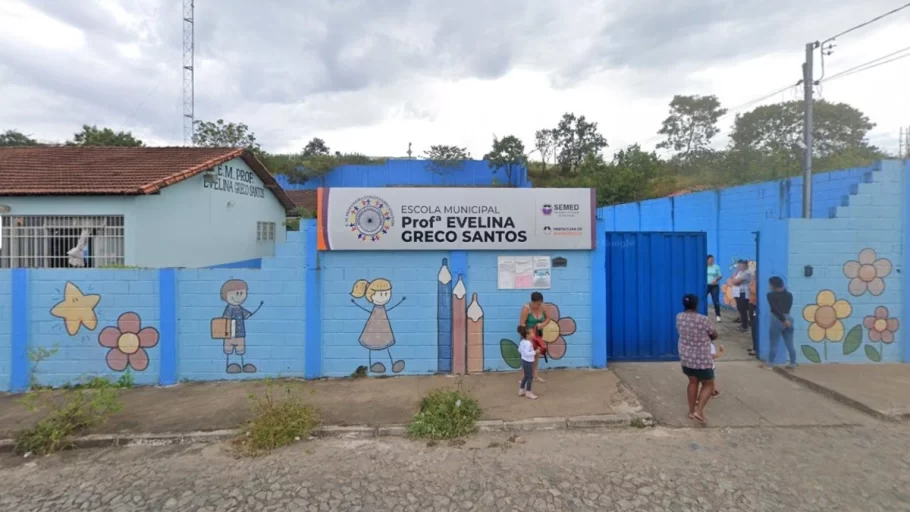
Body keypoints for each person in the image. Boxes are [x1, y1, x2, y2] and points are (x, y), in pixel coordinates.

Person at [677, 294, 718, 423]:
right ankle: (699, 412)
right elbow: (714, 334)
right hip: (702, 358)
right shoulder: (703, 319)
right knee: (708, 383)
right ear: (696, 304)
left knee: (693, 381)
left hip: (686, 356)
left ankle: (690, 412)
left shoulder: (679, 317)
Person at [762, 276, 796, 369]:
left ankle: (770, 364)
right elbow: (788, 308)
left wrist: (783, 320)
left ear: (773, 285)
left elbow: (775, 309)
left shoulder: (770, 295)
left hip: (777, 319)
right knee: (790, 343)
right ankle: (793, 363)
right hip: (788, 318)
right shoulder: (789, 294)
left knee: (774, 343)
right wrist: (786, 319)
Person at [519, 291, 551, 382]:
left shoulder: (543, 306)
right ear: (532, 302)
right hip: (527, 335)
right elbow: (522, 324)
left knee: (536, 354)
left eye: (540, 303)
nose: (538, 305)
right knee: (526, 355)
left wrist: (542, 324)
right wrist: (529, 334)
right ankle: (524, 376)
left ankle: (535, 375)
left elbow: (548, 318)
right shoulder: (526, 308)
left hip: (538, 334)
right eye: (537, 304)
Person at [517, 325, 540, 400]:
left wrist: (525, 353)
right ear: (527, 335)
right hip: (528, 362)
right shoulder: (528, 343)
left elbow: (519, 350)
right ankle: (528, 392)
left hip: (524, 361)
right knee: (530, 377)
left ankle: (521, 391)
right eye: (532, 333)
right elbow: (527, 353)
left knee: (526, 376)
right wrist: (535, 352)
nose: (534, 334)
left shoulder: (523, 342)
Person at [731, 260, 753, 338]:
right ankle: (743, 324)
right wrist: (734, 278)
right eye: (739, 265)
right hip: (738, 293)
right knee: (740, 309)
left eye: (741, 265)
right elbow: (733, 279)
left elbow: (735, 282)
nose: (740, 267)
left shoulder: (747, 273)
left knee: (743, 309)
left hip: (743, 294)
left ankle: (745, 326)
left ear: (746, 265)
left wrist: (734, 280)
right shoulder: (739, 272)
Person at [706, 255, 722, 322]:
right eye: (710, 260)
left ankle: (718, 316)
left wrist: (716, 279)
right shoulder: (703, 266)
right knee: (700, 299)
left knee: (716, 301)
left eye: (712, 260)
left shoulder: (716, 267)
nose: (711, 261)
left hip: (714, 286)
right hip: (705, 286)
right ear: (706, 260)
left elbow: (720, 276)